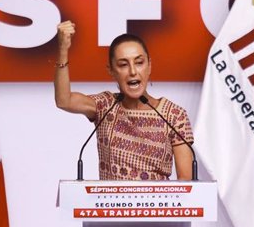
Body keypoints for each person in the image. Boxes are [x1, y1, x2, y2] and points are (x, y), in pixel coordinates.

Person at [54, 20, 194, 181]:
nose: (133, 71)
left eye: (139, 62)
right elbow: (64, 100)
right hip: (109, 205)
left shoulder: (175, 116)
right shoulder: (105, 105)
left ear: (149, 66)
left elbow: (187, 184)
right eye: (123, 65)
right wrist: (62, 50)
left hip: (158, 205)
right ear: (112, 71)